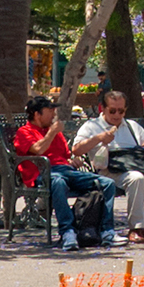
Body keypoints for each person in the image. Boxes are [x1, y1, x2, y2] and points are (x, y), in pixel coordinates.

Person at [72, 88, 144, 241]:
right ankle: (136, 227)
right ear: (103, 109)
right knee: (136, 178)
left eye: (121, 111)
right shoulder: (92, 126)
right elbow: (76, 149)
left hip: (136, 165)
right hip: (109, 170)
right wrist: (99, 138)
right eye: (112, 111)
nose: (117, 115)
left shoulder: (131, 126)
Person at [12, 97, 106, 248]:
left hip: (65, 171)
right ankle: (67, 232)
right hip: (42, 174)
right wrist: (52, 133)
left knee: (106, 183)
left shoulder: (54, 131)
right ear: (37, 114)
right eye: (50, 111)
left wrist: (73, 161)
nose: (54, 114)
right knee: (58, 182)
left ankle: (107, 231)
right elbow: (38, 150)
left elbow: (64, 156)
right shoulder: (24, 132)